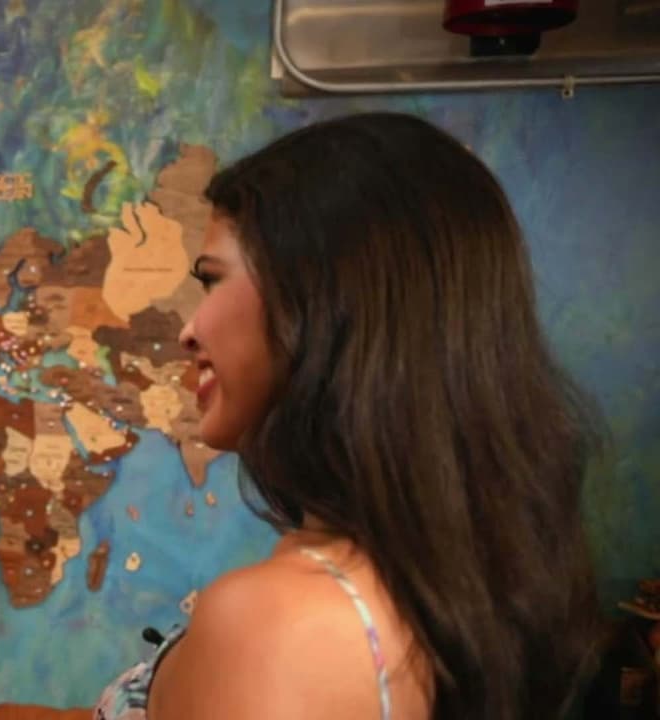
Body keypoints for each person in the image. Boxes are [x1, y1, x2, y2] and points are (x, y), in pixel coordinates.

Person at [94, 112, 601, 720]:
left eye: (212, 280)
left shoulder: (281, 629)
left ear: (322, 300)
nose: (188, 331)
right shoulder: (443, 587)